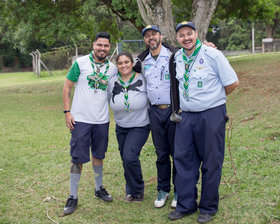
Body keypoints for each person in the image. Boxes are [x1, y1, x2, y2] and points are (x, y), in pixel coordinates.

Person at [167, 21, 239, 223]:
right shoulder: (177, 58)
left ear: (196, 33)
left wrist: (214, 99)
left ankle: (207, 208)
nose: (186, 38)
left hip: (211, 115)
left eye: (189, 33)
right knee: (183, 160)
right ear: (177, 38)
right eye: (181, 35)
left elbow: (232, 83)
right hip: (186, 116)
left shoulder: (212, 54)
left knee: (211, 161)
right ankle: (186, 205)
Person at [62, 32, 117, 215]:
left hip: (101, 120)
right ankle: (73, 197)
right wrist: (67, 112)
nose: (102, 48)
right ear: (93, 45)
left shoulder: (112, 69)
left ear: (110, 47)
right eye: (99, 45)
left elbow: (112, 93)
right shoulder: (81, 63)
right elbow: (67, 87)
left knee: (98, 155)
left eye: (106, 46)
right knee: (77, 158)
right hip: (81, 120)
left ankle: (99, 188)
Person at [134, 25, 179, 208]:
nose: (151, 38)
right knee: (161, 154)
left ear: (161, 36)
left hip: (173, 111)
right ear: (144, 40)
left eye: (154, 34)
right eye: (147, 36)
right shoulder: (142, 60)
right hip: (154, 112)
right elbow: (125, 69)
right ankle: (163, 190)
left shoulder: (173, 55)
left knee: (177, 153)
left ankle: (179, 190)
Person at [108, 52, 150, 202]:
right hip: (121, 126)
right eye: (120, 63)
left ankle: (138, 190)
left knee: (130, 157)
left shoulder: (142, 78)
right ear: (117, 66)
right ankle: (130, 190)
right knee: (125, 159)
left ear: (132, 63)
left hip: (140, 125)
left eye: (127, 62)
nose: (124, 65)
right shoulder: (112, 81)